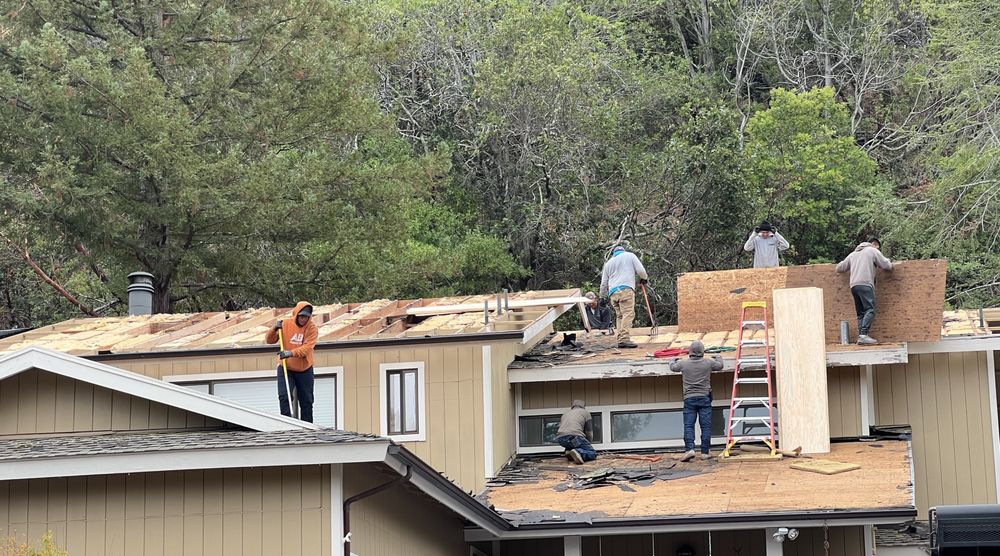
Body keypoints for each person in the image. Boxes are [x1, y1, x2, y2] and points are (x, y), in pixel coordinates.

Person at [670, 340, 723, 461]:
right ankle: (705, 452)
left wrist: (673, 359)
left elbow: (673, 367)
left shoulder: (684, 363)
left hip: (689, 399)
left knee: (689, 425)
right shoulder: (708, 362)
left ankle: (690, 449)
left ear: (690, 352)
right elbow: (720, 366)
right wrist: (718, 357)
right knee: (706, 426)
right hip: (704, 398)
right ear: (702, 352)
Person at [265, 301, 318, 422]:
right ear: (296, 314)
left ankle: (307, 427)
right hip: (286, 367)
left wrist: (290, 353)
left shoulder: (312, 329)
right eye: (301, 316)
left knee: (307, 401)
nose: (303, 319)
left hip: (304, 369)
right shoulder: (285, 324)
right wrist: (274, 329)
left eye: (306, 317)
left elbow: (306, 349)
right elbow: (269, 340)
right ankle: (286, 422)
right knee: (284, 396)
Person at [836, 238, 893, 345]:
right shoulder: (872, 250)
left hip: (854, 286)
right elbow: (887, 265)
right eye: (878, 248)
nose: (878, 250)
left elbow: (839, 268)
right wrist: (889, 262)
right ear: (874, 244)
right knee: (870, 309)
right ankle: (863, 335)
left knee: (861, 313)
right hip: (866, 284)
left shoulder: (853, 254)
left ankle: (861, 337)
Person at [599, 243, 649, 348]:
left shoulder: (608, 263)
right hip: (625, 290)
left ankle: (620, 339)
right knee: (628, 314)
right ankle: (624, 339)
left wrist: (602, 297)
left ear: (614, 253)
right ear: (623, 251)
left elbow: (604, 283)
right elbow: (641, 271)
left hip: (613, 293)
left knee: (620, 316)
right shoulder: (630, 256)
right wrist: (644, 278)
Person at [555, 399, 596, 464]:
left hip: (560, 439)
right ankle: (578, 452)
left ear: (572, 406)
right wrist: (588, 443)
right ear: (583, 406)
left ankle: (569, 452)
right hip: (574, 437)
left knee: (574, 443)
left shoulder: (565, 414)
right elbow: (589, 431)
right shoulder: (585, 412)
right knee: (592, 453)